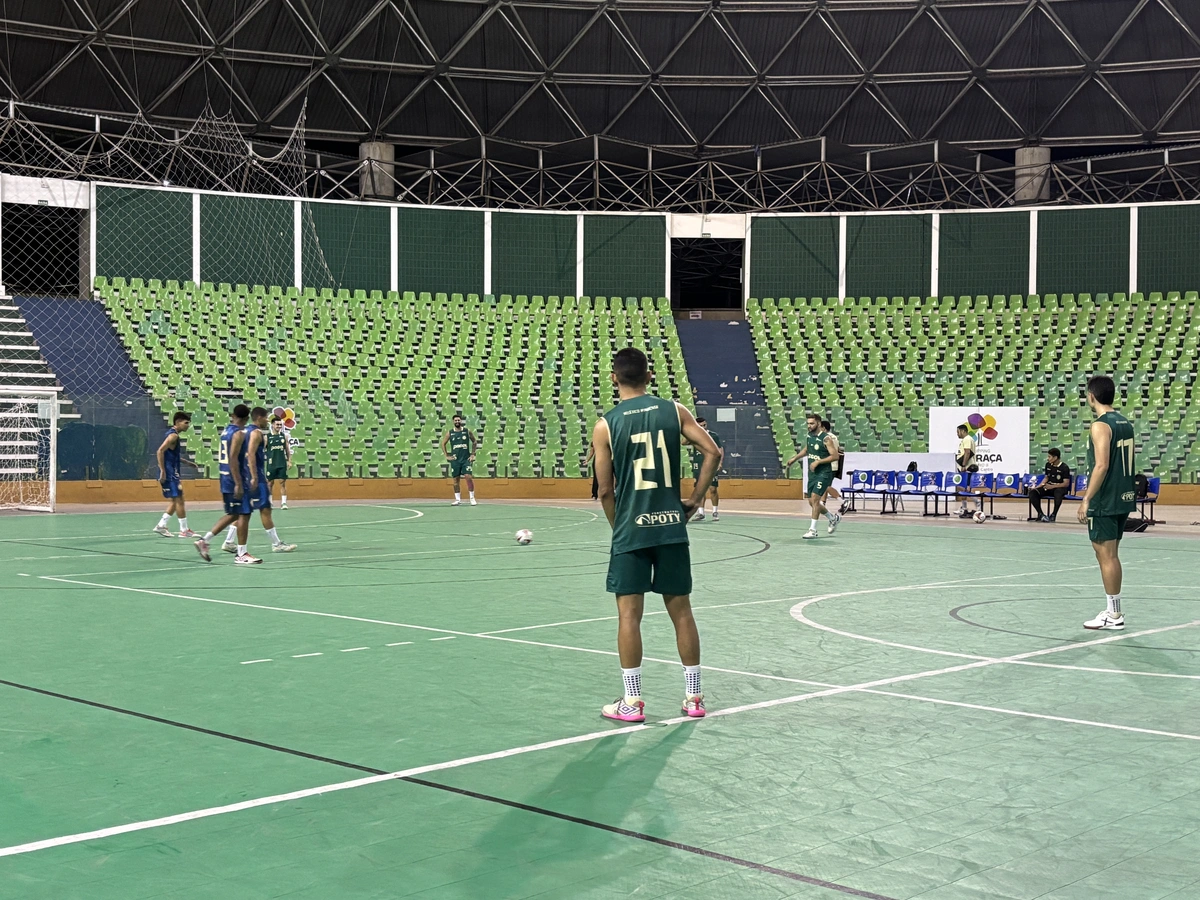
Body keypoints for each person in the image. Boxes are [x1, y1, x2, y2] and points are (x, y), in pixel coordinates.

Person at [592, 347, 720, 723]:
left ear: (614, 378)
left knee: (629, 616)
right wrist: (695, 500)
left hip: (631, 530)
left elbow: (605, 490)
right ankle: (694, 698)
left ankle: (632, 702)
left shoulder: (605, 425)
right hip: (670, 528)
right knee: (682, 613)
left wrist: (620, 528)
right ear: (649, 376)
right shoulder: (674, 411)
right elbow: (713, 452)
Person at [1078, 375, 1137, 630]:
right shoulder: (1125, 422)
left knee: (1106, 556)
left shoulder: (1100, 425)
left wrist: (1086, 499)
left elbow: (1101, 465)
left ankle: (1114, 615)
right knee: (1111, 555)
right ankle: (1113, 611)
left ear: (1091, 396)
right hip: (1124, 496)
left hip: (1105, 499)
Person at [218, 408, 296, 554]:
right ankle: (275, 544)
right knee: (264, 510)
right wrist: (254, 476)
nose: (267, 420)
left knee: (242, 512)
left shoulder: (244, 432)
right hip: (255, 478)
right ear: (259, 417)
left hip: (246, 477)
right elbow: (250, 455)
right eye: (266, 417)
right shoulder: (255, 432)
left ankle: (228, 541)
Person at [194, 404, 260, 565]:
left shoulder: (226, 431)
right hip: (234, 478)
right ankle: (241, 554)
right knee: (244, 513)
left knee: (234, 514)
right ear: (247, 418)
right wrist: (238, 483)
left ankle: (204, 540)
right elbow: (233, 459)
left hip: (225, 477)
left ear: (233, 415)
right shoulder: (238, 434)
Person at [784, 413, 841, 539]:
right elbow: (806, 450)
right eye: (808, 423)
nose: (809, 426)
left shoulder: (826, 439)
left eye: (812, 423)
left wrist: (818, 462)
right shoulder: (809, 436)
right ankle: (832, 518)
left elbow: (835, 456)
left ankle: (813, 530)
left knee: (815, 499)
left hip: (824, 473)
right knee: (811, 502)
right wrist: (794, 458)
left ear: (819, 424)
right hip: (813, 474)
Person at [152, 411, 198, 538]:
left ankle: (161, 525)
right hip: (170, 473)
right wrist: (163, 471)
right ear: (178, 422)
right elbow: (160, 451)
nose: (188, 425)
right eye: (186, 423)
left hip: (171, 471)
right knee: (180, 500)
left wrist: (187, 462)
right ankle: (184, 530)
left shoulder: (172, 434)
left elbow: (170, 454)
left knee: (175, 500)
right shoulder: (173, 436)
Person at [685, 416, 723, 521]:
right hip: (699, 464)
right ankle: (700, 513)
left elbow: (720, 449)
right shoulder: (694, 435)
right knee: (700, 489)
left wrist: (720, 462)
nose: (703, 427)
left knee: (713, 489)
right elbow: (683, 442)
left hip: (711, 464)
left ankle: (715, 511)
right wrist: (691, 432)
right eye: (700, 426)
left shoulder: (713, 436)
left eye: (704, 425)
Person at [441, 414, 477, 506]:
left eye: (458, 420)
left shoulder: (467, 431)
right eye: (455, 420)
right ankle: (457, 499)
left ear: (461, 421)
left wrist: (473, 454)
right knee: (455, 480)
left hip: (465, 459)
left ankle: (472, 498)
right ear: (453, 421)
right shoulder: (450, 433)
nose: (457, 422)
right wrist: (447, 456)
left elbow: (474, 441)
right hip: (455, 460)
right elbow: (443, 443)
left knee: (468, 477)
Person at [1028, 448, 1072, 522]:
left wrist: (1052, 486)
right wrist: (1037, 487)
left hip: (1059, 487)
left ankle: (1053, 514)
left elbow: (1066, 483)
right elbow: (1046, 478)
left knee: (1058, 493)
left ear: (1055, 457)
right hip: (1048, 487)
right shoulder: (1048, 465)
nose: (1047, 458)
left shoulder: (1064, 467)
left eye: (1049, 457)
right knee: (1033, 492)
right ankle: (1041, 514)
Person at [956, 423, 983, 518]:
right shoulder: (966, 439)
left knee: (965, 489)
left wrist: (963, 465)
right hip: (964, 468)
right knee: (962, 488)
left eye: (958, 432)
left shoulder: (967, 439)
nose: (957, 434)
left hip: (967, 468)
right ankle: (964, 508)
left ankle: (977, 502)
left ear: (963, 431)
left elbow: (967, 452)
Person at [266, 416, 291, 509]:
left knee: (282, 483)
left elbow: (287, 450)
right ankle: (269, 502)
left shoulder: (284, 436)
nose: (279, 426)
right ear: (273, 425)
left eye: (280, 424)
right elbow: (262, 449)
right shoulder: (267, 437)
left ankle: (283, 503)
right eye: (277, 424)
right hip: (271, 463)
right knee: (270, 483)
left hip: (281, 463)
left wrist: (289, 461)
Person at [821, 418, 844, 507]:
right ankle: (823, 503)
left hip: (828, 465)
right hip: (833, 465)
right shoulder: (834, 437)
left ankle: (843, 502)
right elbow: (838, 449)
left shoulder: (826, 438)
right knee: (826, 485)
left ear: (823, 428)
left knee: (825, 485)